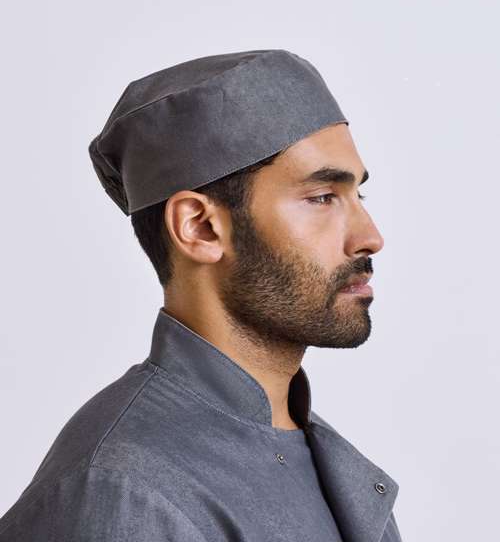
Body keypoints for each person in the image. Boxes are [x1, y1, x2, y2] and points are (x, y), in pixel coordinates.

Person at [0, 49, 403, 541]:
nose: (370, 237)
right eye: (322, 197)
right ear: (199, 227)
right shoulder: (123, 491)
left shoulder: (310, 450)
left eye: (358, 195)